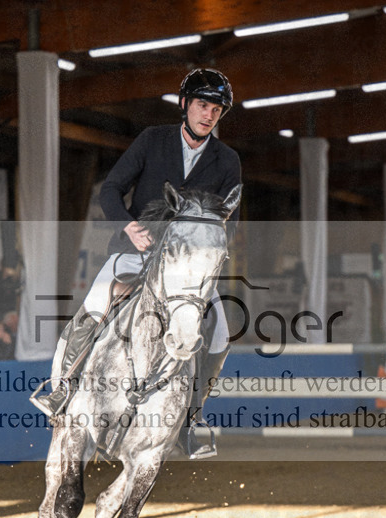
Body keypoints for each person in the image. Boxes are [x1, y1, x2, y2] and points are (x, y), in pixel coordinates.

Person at [31, 67, 242, 459]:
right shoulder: (152, 140)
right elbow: (111, 189)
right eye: (202, 105)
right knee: (95, 305)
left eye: (216, 110)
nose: (208, 115)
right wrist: (128, 226)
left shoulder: (227, 160)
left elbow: (229, 219)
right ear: (184, 105)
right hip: (135, 250)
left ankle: (192, 418)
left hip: (186, 267)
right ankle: (60, 388)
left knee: (220, 334)